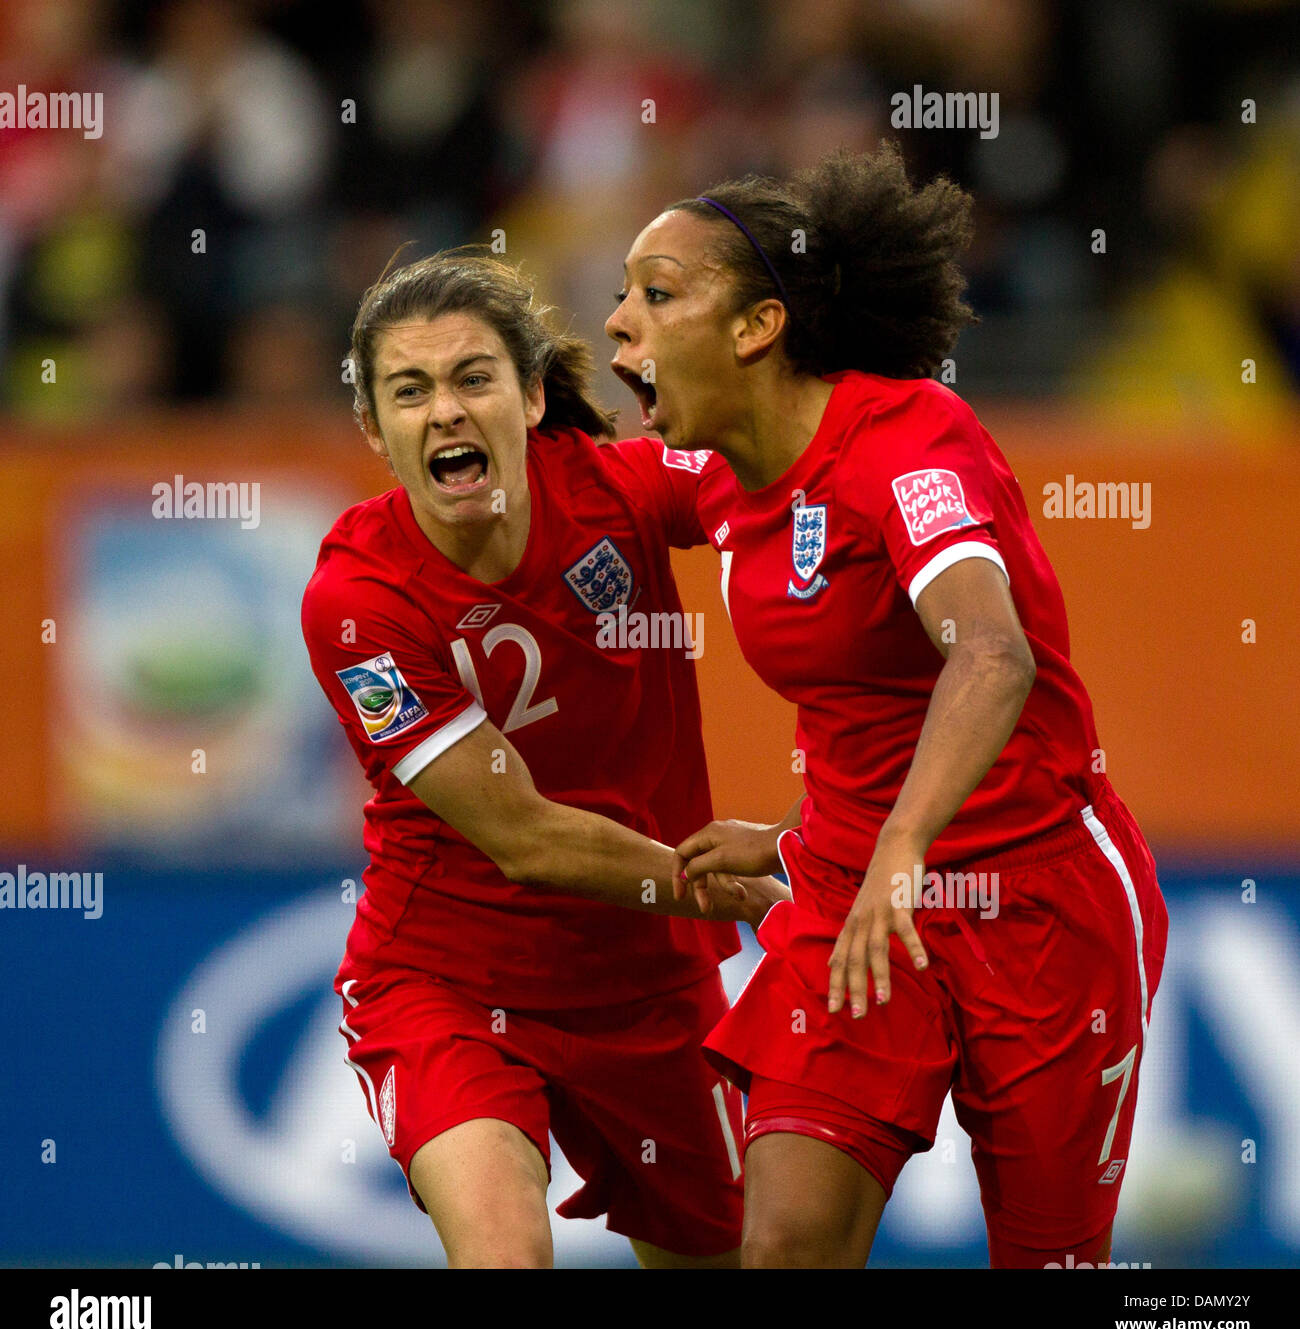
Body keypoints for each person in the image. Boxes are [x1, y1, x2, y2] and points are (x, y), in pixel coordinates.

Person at [604, 142, 1169, 1269]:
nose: (619, 322)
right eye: (622, 294)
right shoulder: (719, 477)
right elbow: (555, 481)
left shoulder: (909, 441)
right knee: (784, 1246)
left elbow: (991, 658)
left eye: (656, 293)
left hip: (1038, 901)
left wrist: (906, 847)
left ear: (759, 326)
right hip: (854, 907)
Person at [301, 247, 787, 1268]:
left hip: (649, 981)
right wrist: (773, 895)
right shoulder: (357, 602)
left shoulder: (621, 491)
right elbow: (523, 838)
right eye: (410, 390)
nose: (444, 411)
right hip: (448, 984)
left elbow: (783, 473)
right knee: (504, 1255)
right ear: (375, 430)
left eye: (473, 378)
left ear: (528, 397)